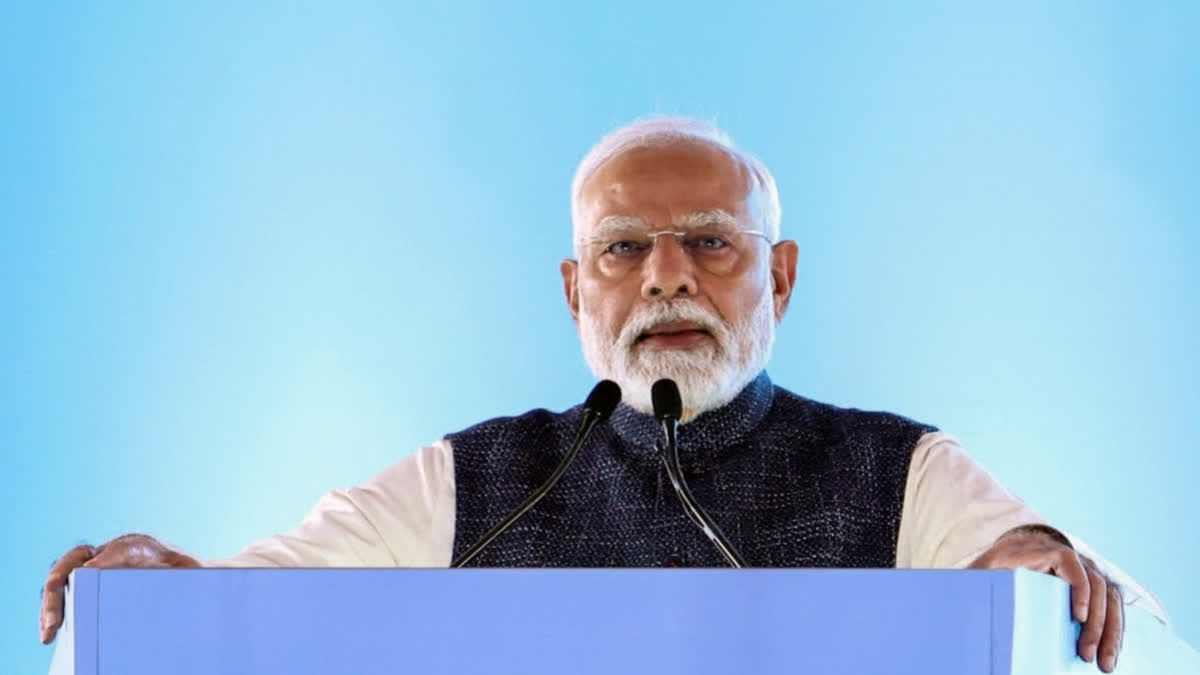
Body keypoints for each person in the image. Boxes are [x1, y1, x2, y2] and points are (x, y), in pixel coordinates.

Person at [40, 116, 1166, 673]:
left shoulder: (900, 471)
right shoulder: (470, 483)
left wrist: (1050, 562)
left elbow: (1083, 596)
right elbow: (255, 601)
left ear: (779, 276)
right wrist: (157, 587)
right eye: (624, 249)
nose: (667, 274)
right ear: (578, 290)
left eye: (711, 245)